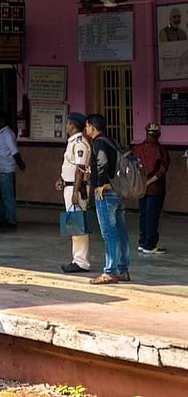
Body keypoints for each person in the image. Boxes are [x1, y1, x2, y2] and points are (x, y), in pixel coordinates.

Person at [84, 114, 131, 284]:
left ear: (92, 126)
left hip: (106, 192)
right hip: (117, 190)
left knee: (109, 232)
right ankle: (123, 270)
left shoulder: (99, 142)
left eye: (87, 126)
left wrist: (99, 184)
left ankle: (109, 271)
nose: (86, 129)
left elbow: (102, 162)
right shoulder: (112, 140)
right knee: (121, 231)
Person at [57, 113, 91, 273]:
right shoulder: (72, 143)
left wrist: (76, 191)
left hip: (75, 188)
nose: (66, 126)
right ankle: (77, 259)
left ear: (73, 125)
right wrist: (61, 180)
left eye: (68, 124)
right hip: (69, 186)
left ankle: (81, 261)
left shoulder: (79, 144)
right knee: (74, 225)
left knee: (77, 225)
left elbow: (80, 169)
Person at [132, 122, 170, 254]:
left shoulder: (137, 148)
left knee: (143, 215)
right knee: (152, 216)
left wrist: (142, 183)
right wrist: (149, 182)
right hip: (155, 189)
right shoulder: (161, 150)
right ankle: (150, 245)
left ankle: (142, 242)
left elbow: (133, 167)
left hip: (141, 188)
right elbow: (161, 171)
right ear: (158, 134)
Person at [0, 111, 26, 227]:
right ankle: (2, 217)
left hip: (5, 169)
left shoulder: (7, 134)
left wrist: (20, 163)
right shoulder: (2, 133)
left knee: (7, 195)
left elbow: (14, 151)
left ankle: (10, 219)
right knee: (0, 195)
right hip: (0, 168)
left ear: (2, 120)